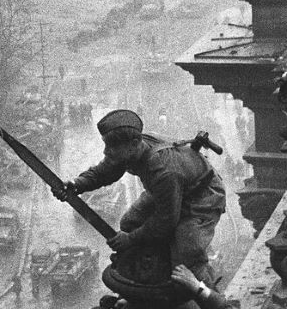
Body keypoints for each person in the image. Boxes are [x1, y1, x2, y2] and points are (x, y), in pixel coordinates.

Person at [53, 109, 225, 283]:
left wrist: (130, 240)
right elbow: (106, 171)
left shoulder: (162, 169)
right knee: (129, 222)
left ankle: (210, 298)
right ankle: (153, 268)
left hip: (202, 197)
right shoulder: (133, 148)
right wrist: (77, 184)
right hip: (170, 189)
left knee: (186, 255)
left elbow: (166, 220)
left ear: (134, 143)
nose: (106, 152)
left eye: (112, 147)